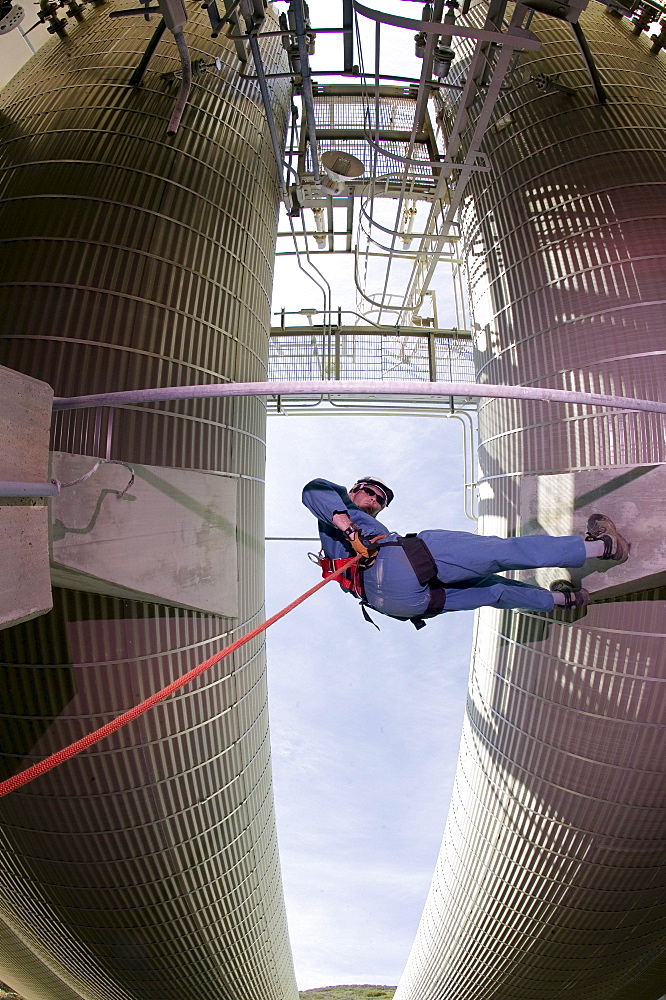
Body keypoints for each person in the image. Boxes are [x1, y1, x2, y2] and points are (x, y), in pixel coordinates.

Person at [302, 476, 630, 628]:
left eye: (380, 500)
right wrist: (349, 528)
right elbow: (314, 488)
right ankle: (602, 546)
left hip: (400, 606)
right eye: (370, 493)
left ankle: (566, 601)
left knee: (493, 592)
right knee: (501, 551)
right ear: (353, 491)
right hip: (394, 566)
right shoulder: (340, 511)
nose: (374, 500)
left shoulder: (335, 548)